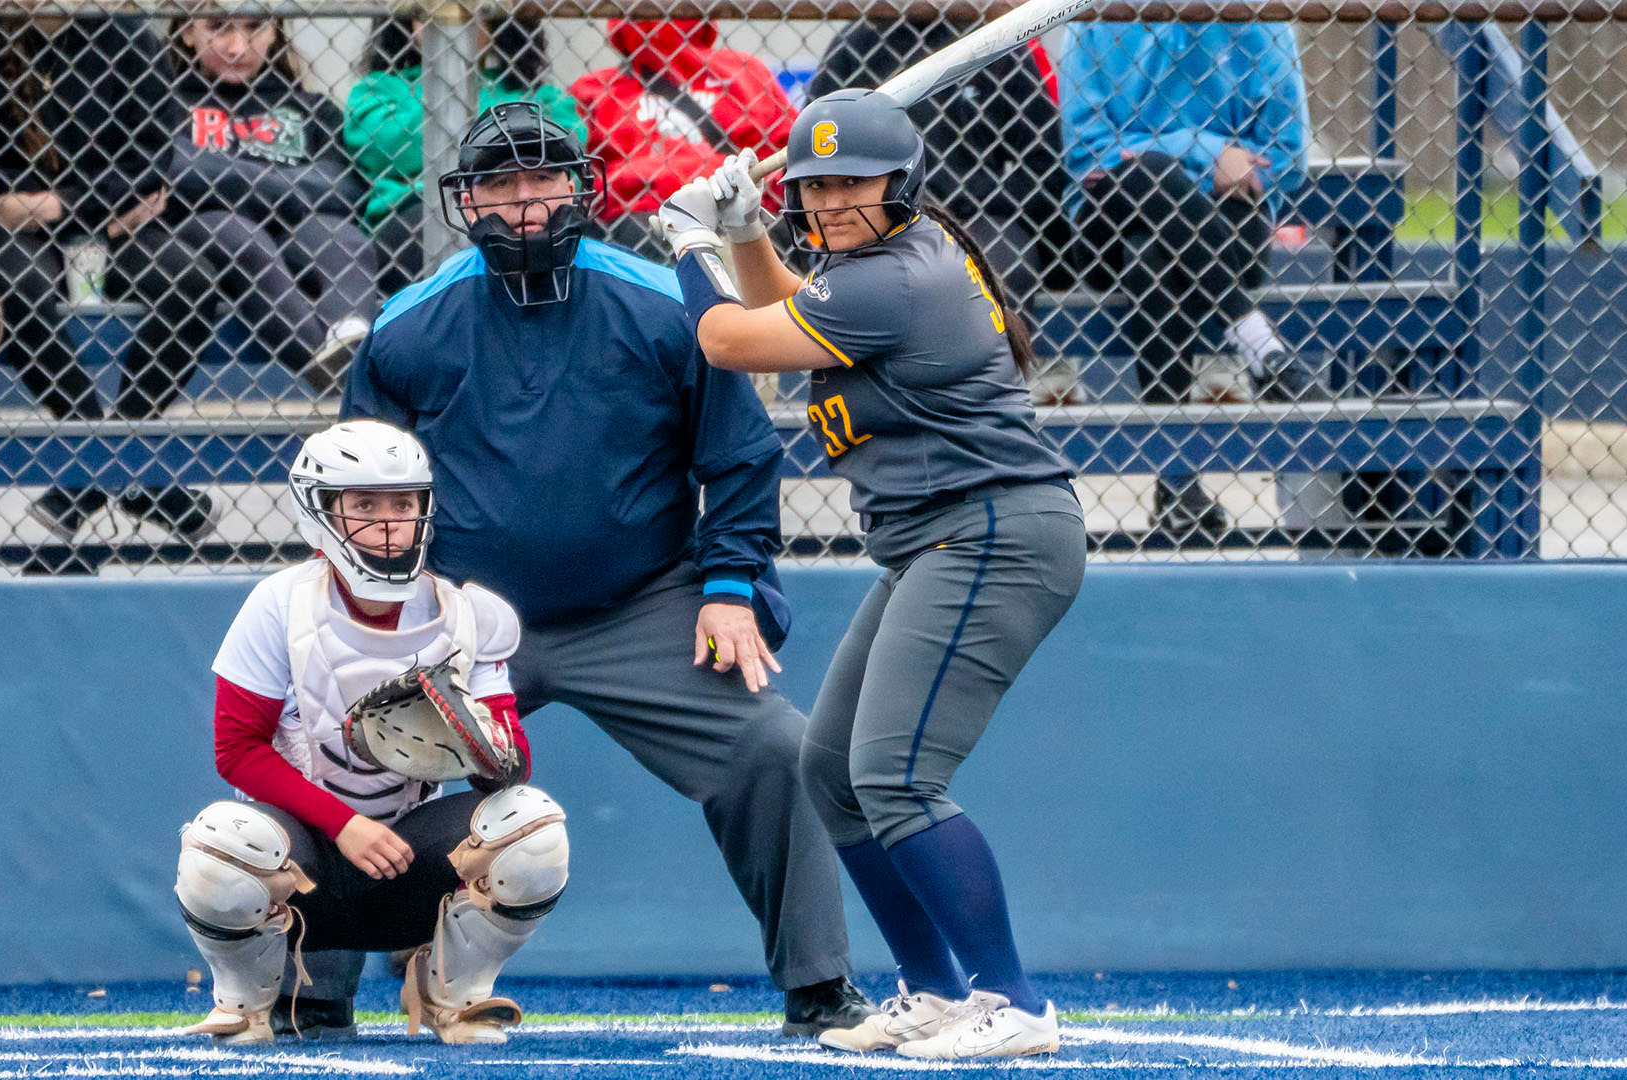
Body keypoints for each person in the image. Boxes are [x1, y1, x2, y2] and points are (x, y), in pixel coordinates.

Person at [339, 102, 874, 1039]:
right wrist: (380, 622)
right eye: (500, 185)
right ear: (466, 201)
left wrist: (730, 589)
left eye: (543, 178)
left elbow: (740, 458)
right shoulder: (409, 327)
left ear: (582, 185)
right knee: (341, 747)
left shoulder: (665, 303)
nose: (525, 204)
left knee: (774, 750)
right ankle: (314, 991)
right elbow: (362, 486)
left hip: (641, 605)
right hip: (460, 618)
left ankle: (819, 985)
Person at [655, 89, 1085, 1059]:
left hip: (991, 535)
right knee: (832, 771)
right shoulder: (869, 270)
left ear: (902, 185)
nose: (834, 201)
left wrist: (690, 243)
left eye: (855, 183)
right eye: (815, 186)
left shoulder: (895, 280)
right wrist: (747, 229)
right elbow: (777, 307)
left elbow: (728, 339)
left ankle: (1011, 1002)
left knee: (894, 774)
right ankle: (934, 990)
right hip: (942, 539)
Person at [182, 418, 567, 1047]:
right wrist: (343, 823)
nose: (388, 523)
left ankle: (453, 992)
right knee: (224, 840)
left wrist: (478, 745)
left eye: (403, 503)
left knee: (531, 824)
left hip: (407, 859)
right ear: (320, 512)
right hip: (303, 860)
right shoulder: (277, 603)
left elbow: (512, 762)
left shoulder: (465, 614)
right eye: (364, 504)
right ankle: (248, 1002)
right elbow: (236, 749)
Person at [1059, 20, 1326, 536]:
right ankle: (1253, 337)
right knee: (1151, 174)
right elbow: (1089, 153)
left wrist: (1163, 155)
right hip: (1109, 223)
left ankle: (1177, 482)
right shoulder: (1097, 20)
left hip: (1225, 226)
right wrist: (1207, 155)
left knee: (1151, 257)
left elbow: (1288, 157)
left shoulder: (1260, 22)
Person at [0, 14, 182, 543]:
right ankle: (116, 459)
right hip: (8, 225)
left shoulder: (124, 33)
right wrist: (76, 206)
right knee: (14, 284)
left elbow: (153, 151)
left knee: (191, 280)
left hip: (112, 224)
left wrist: (67, 205)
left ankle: (96, 468)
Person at [161, 14, 377, 392]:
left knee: (346, 242)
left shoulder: (308, 106)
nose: (237, 47)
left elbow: (345, 187)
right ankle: (357, 381)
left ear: (275, 30)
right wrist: (283, 185)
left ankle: (350, 347)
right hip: (208, 225)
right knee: (242, 237)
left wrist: (228, 179)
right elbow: (176, 170)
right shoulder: (167, 101)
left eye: (254, 27)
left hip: (300, 227)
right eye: (218, 28)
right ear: (187, 32)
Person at [808, 20, 1070, 306]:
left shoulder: (994, 39)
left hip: (980, 217)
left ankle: (1000, 351)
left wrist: (975, 200)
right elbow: (811, 155)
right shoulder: (855, 45)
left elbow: (1044, 162)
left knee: (1003, 269)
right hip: (879, 215)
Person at [347, 11, 585, 294]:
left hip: (526, 215)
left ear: (499, 21)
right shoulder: (380, 89)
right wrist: (509, 136)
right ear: (407, 18)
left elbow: (569, 149)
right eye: (431, 14)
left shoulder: (537, 92)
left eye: (472, 15)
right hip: (410, 216)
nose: (452, 25)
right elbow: (389, 146)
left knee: (568, 231)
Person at [567, 20, 793, 263]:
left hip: (730, 215)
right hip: (638, 228)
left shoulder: (744, 71)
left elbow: (791, 155)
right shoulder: (596, 89)